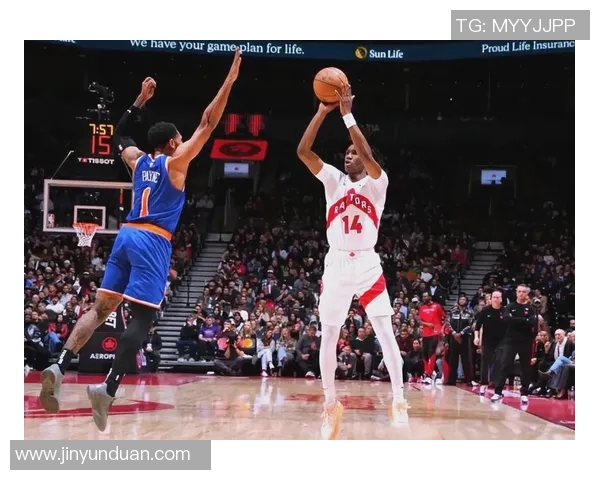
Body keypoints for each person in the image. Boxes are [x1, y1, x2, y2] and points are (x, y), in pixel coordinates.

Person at [38, 49, 242, 431]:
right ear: (172, 143)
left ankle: (59, 365)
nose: (184, 141)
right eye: (180, 138)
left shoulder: (137, 161)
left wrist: (138, 101)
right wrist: (229, 81)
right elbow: (208, 122)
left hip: (126, 236)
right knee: (144, 318)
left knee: (100, 309)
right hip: (153, 240)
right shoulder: (175, 163)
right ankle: (107, 388)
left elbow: (119, 134)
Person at [297, 83, 408, 440]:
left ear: (366, 157)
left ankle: (399, 399)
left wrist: (348, 116)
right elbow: (303, 151)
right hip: (337, 265)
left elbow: (366, 153)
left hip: (367, 266)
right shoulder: (334, 180)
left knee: (385, 332)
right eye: (345, 153)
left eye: (353, 153)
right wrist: (321, 112)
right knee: (329, 334)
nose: (348, 157)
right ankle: (330, 404)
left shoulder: (378, 183)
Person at [491, 285, 539, 404]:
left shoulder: (531, 309)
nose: (521, 293)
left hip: (525, 341)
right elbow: (507, 319)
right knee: (504, 366)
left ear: (527, 294)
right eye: (519, 291)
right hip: (510, 341)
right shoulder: (510, 306)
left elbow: (533, 322)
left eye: (523, 292)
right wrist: (524, 320)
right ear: (516, 293)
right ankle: (498, 392)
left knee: (525, 368)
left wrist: (517, 320)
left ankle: (524, 393)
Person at [473, 290, 507, 395]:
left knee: (500, 362)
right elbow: (477, 326)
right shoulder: (485, 310)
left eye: (498, 297)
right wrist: (476, 337)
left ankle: (497, 385)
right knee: (485, 362)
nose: (496, 299)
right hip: (487, 340)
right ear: (491, 299)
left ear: (501, 299)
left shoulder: (505, 311)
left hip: (501, 341)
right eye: (494, 297)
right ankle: (483, 384)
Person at [418, 292, 446, 384]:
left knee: (431, 352)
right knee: (425, 354)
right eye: (423, 296)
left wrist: (442, 328)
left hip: (435, 332)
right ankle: (427, 372)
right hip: (425, 333)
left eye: (426, 296)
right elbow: (420, 320)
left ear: (430, 297)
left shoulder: (437, 306)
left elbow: (445, 317)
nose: (424, 298)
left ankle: (429, 374)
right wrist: (427, 324)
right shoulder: (422, 308)